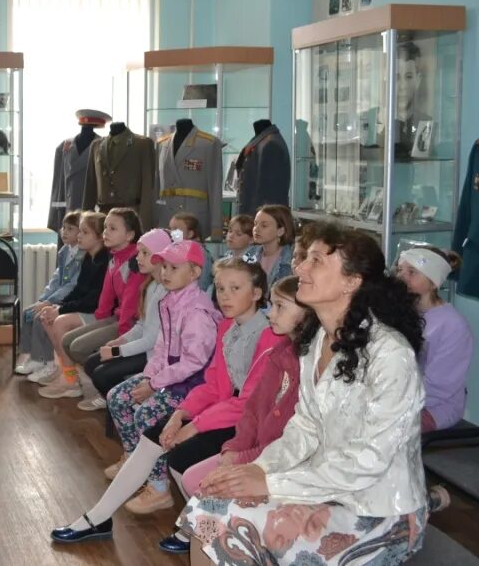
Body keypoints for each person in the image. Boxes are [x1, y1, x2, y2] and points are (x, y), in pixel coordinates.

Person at [179, 224, 428, 565]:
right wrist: (258, 468)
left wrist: (271, 482)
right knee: (207, 506)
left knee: (228, 522)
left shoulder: (390, 354)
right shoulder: (317, 343)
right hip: (321, 485)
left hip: (378, 507)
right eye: (304, 259)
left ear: (351, 282)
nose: (300, 269)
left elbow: (367, 463)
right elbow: (304, 429)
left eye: (316, 262)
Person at [51, 258, 276, 545]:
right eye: (220, 288)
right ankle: (98, 517)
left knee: (181, 457)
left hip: (252, 423)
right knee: (152, 435)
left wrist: (193, 426)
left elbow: (247, 403)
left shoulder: (269, 335)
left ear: (257, 293)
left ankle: (197, 530)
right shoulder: (227, 327)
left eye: (235, 288)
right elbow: (214, 384)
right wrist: (180, 415)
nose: (225, 296)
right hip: (225, 410)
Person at [162, 275, 311, 554]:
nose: (271, 314)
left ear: (307, 314)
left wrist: (240, 458)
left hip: (274, 461)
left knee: (202, 486)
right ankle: (209, 541)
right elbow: (253, 410)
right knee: (195, 480)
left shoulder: (305, 363)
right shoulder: (281, 351)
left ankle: (215, 540)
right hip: (252, 449)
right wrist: (233, 448)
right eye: (273, 306)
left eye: (280, 307)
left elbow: (286, 439)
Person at [84, 240, 219, 517]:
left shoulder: (197, 312)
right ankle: (135, 463)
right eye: (165, 266)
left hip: (191, 385)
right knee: (118, 397)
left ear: (194, 273)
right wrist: (148, 378)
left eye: (174, 268)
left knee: (146, 414)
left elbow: (194, 363)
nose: (166, 273)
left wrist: (155, 385)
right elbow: (160, 347)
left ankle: (158, 488)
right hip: (169, 376)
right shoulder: (169, 299)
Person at [39, 208, 143, 400]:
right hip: (114, 316)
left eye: (112, 228)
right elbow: (105, 295)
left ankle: (99, 388)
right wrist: (98, 322)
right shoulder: (114, 257)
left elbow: (129, 304)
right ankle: (75, 378)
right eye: (105, 228)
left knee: (77, 346)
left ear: (129, 235)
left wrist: (120, 333)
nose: (106, 233)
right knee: (68, 341)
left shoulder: (133, 262)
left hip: (128, 323)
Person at [82, 228, 173, 410]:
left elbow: (151, 341)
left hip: (156, 355)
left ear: (160, 256)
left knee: (101, 374)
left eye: (145, 253)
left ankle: (130, 407)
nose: (138, 257)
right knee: (91, 362)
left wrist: (117, 351)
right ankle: (117, 403)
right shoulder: (152, 285)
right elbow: (142, 325)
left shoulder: (166, 291)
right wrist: (120, 340)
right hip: (146, 348)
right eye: (139, 252)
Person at [396, 246, 474, 431]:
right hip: (397, 395)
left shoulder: (452, 325)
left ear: (433, 282)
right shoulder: (399, 311)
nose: (401, 277)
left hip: (434, 406)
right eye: (400, 270)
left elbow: (439, 387)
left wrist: (391, 399)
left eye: (412, 272)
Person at [31, 213, 110, 385]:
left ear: (99, 237)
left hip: (100, 312)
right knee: (46, 316)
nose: (79, 236)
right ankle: (67, 373)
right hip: (87, 307)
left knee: (60, 322)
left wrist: (60, 309)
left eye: (85, 232)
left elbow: (92, 301)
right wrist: (57, 306)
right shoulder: (89, 257)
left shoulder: (105, 261)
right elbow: (78, 290)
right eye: (79, 231)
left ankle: (71, 382)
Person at [16, 211, 85, 377]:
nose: (64, 232)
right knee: (27, 313)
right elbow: (56, 278)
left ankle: (47, 362)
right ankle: (34, 357)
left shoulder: (83, 256)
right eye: (63, 228)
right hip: (54, 299)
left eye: (70, 229)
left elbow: (71, 285)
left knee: (41, 318)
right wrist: (44, 298)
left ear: (80, 232)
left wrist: (50, 302)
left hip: (69, 301)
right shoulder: (64, 252)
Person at [244, 204, 294, 290]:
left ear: (280, 231)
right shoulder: (250, 252)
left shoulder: (290, 259)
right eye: (255, 224)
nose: (256, 229)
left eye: (264, 226)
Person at [169, 212, 214, 291]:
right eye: (170, 228)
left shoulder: (201, 254)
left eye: (176, 229)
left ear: (190, 234)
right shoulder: (176, 250)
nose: (171, 233)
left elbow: (202, 285)